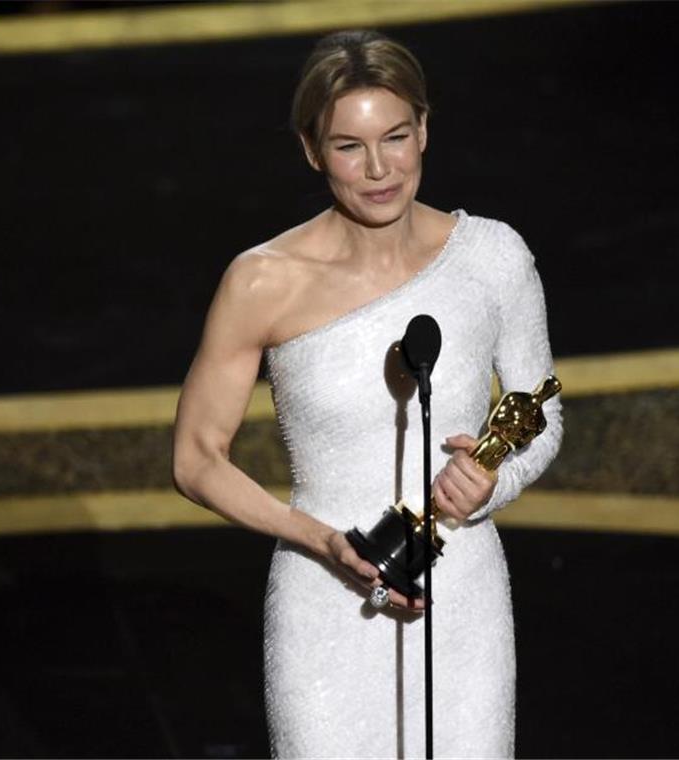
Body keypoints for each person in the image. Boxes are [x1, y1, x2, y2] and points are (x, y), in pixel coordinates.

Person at [172, 29, 562, 758]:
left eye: (397, 136)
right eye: (350, 146)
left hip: (462, 590)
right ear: (312, 150)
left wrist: (491, 480)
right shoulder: (262, 281)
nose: (379, 168)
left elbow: (541, 410)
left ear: (425, 130)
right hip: (323, 597)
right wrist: (320, 539)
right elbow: (196, 461)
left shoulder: (492, 257)